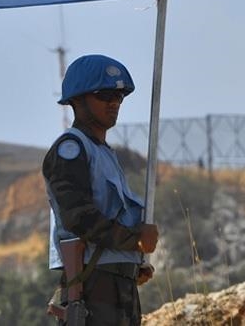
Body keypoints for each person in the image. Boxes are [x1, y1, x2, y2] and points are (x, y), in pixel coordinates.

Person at [43, 54, 159, 325]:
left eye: (119, 96)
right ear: (77, 99)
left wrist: (133, 259)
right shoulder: (70, 149)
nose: (114, 103)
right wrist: (134, 239)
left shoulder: (104, 153)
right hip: (92, 285)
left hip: (118, 285)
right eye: (105, 95)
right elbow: (79, 217)